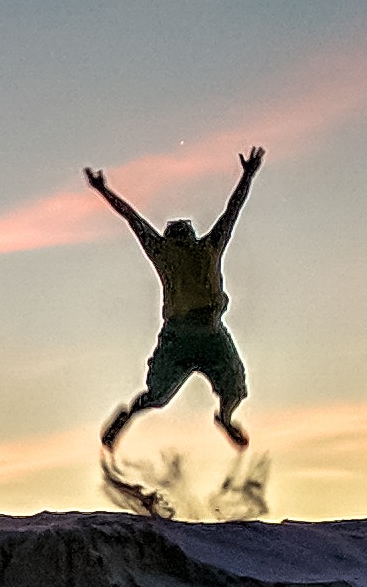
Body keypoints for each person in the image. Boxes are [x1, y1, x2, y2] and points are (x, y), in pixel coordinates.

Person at [88, 146, 262, 453]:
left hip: (209, 334)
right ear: (173, 238)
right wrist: (104, 190)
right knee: (158, 395)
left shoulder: (202, 247)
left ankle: (224, 418)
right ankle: (128, 418)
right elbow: (134, 219)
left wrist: (247, 175)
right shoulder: (170, 251)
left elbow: (231, 212)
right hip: (181, 336)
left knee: (233, 388)